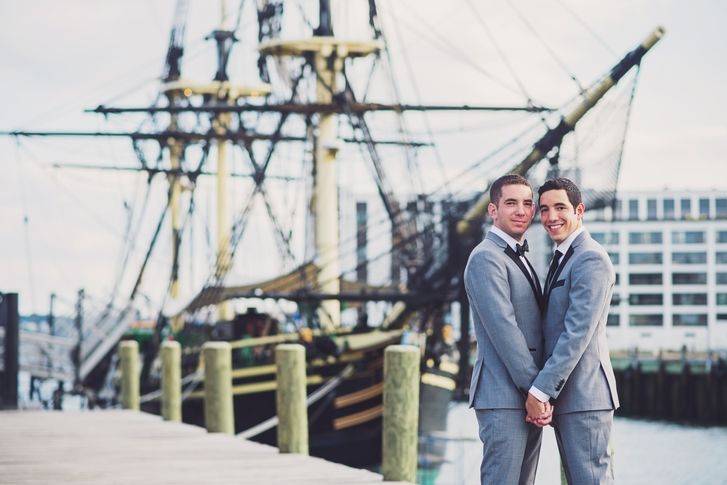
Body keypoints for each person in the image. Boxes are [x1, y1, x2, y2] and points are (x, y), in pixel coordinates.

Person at [526, 177, 620, 484]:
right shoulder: (564, 256)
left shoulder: (590, 258)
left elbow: (576, 333)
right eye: (544, 209)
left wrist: (540, 389)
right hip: (570, 398)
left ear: (579, 210)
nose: (551, 217)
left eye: (560, 207)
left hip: (586, 397)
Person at [464, 174, 551, 485]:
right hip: (503, 396)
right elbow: (505, 331)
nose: (521, 211)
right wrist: (536, 392)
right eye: (511, 203)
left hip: (525, 395)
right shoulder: (486, 258)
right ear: (492, 210)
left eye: (527, 203)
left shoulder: (520, 256)